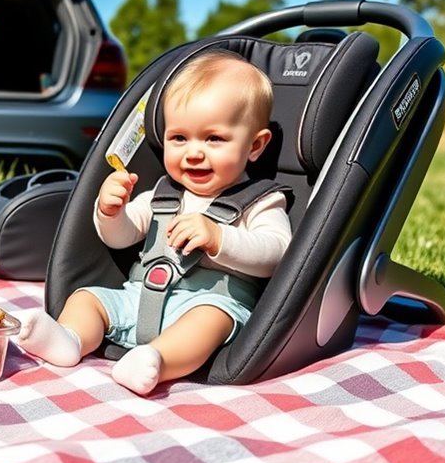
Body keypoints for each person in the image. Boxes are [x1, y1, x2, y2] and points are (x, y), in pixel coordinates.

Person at [16, 50, 293, 396]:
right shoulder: (162, 195)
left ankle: (156, 361)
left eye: (214, 139)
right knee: (87, 298)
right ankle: (70, 339)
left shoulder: (260, 200)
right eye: (180, 138)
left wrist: (219, 237)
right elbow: (123, 237)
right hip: (138, 296)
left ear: (255, 146)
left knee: (208, 323)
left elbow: (279, 253)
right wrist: (110, 212)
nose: (193, 152)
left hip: (210, 300)